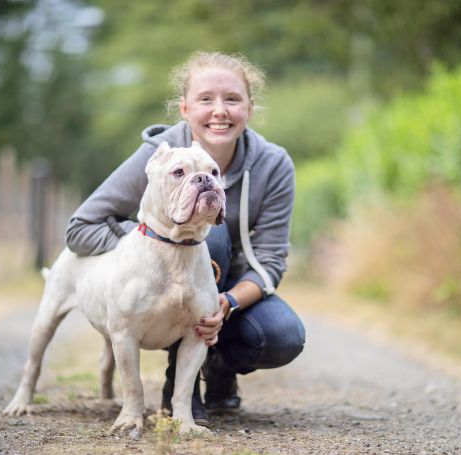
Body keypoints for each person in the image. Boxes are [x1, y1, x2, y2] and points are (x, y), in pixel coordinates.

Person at [65, 51, 306, 427]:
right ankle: (180, 393)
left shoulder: (273, 163)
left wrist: (226, 302)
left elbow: (271, 260)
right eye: (206, 99)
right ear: (184, 108)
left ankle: (218, 366)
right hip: (164, 282)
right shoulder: (158, 156)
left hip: (230, 287)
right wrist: (151, 239)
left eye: (233, 99)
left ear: (250, 107)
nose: (220, 111)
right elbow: (80, 228)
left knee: (282, 336)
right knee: (205, 236)